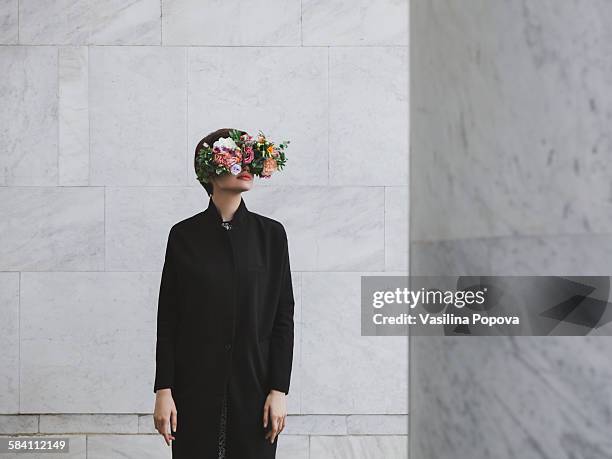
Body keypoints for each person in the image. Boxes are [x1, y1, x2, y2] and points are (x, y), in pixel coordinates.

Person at [152, 128, 294, 458]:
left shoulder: (271, 236)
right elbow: (168, 318)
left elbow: (282, 319)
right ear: (210, 169)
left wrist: (279, 390)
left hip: (255, 388)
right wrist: (164, 389)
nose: (247, 164)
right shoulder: (183, 236)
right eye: (236, 157)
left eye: (250, 158)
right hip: (193, 387)